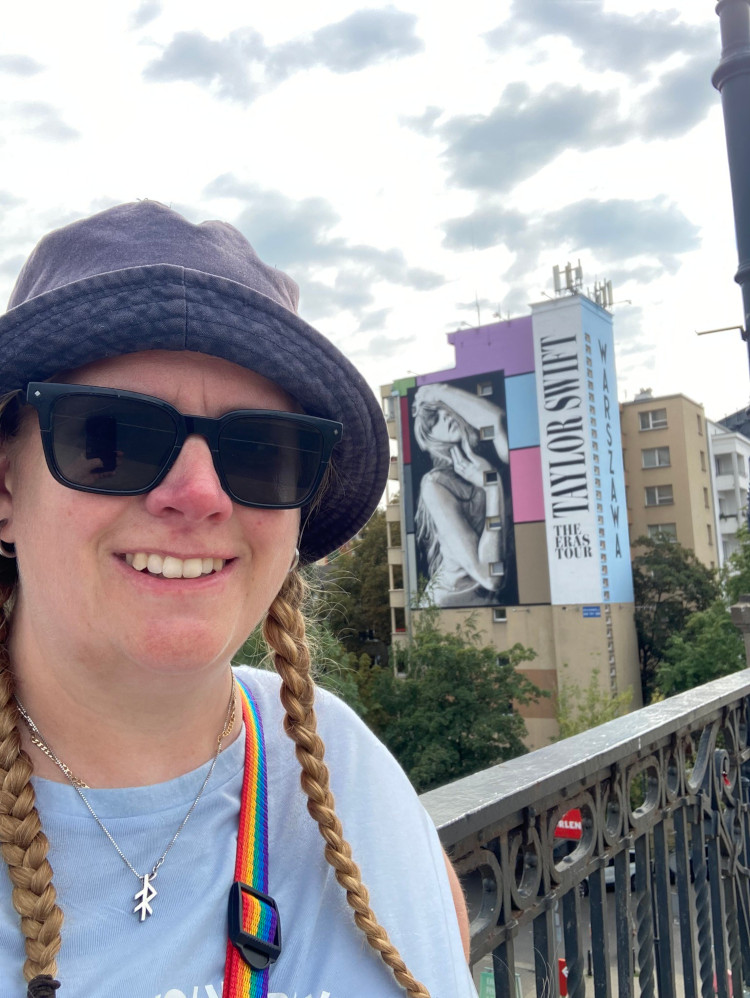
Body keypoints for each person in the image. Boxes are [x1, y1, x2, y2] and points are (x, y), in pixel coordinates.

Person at [0, 201, 476, 998]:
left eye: (261, 451)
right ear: (6, 489)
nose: (198, 493)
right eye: (111, 436)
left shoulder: (341, 763)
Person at [412, 382, 510, 608]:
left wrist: (439, 392)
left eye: (445, 409)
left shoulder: (489, 460)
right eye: (433, 419)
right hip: (450, 606)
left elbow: (497, 419)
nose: (445, 417)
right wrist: (492, 487)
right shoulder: (435, 485)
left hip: (488, 609)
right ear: (429, 436)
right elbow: (490, 576)